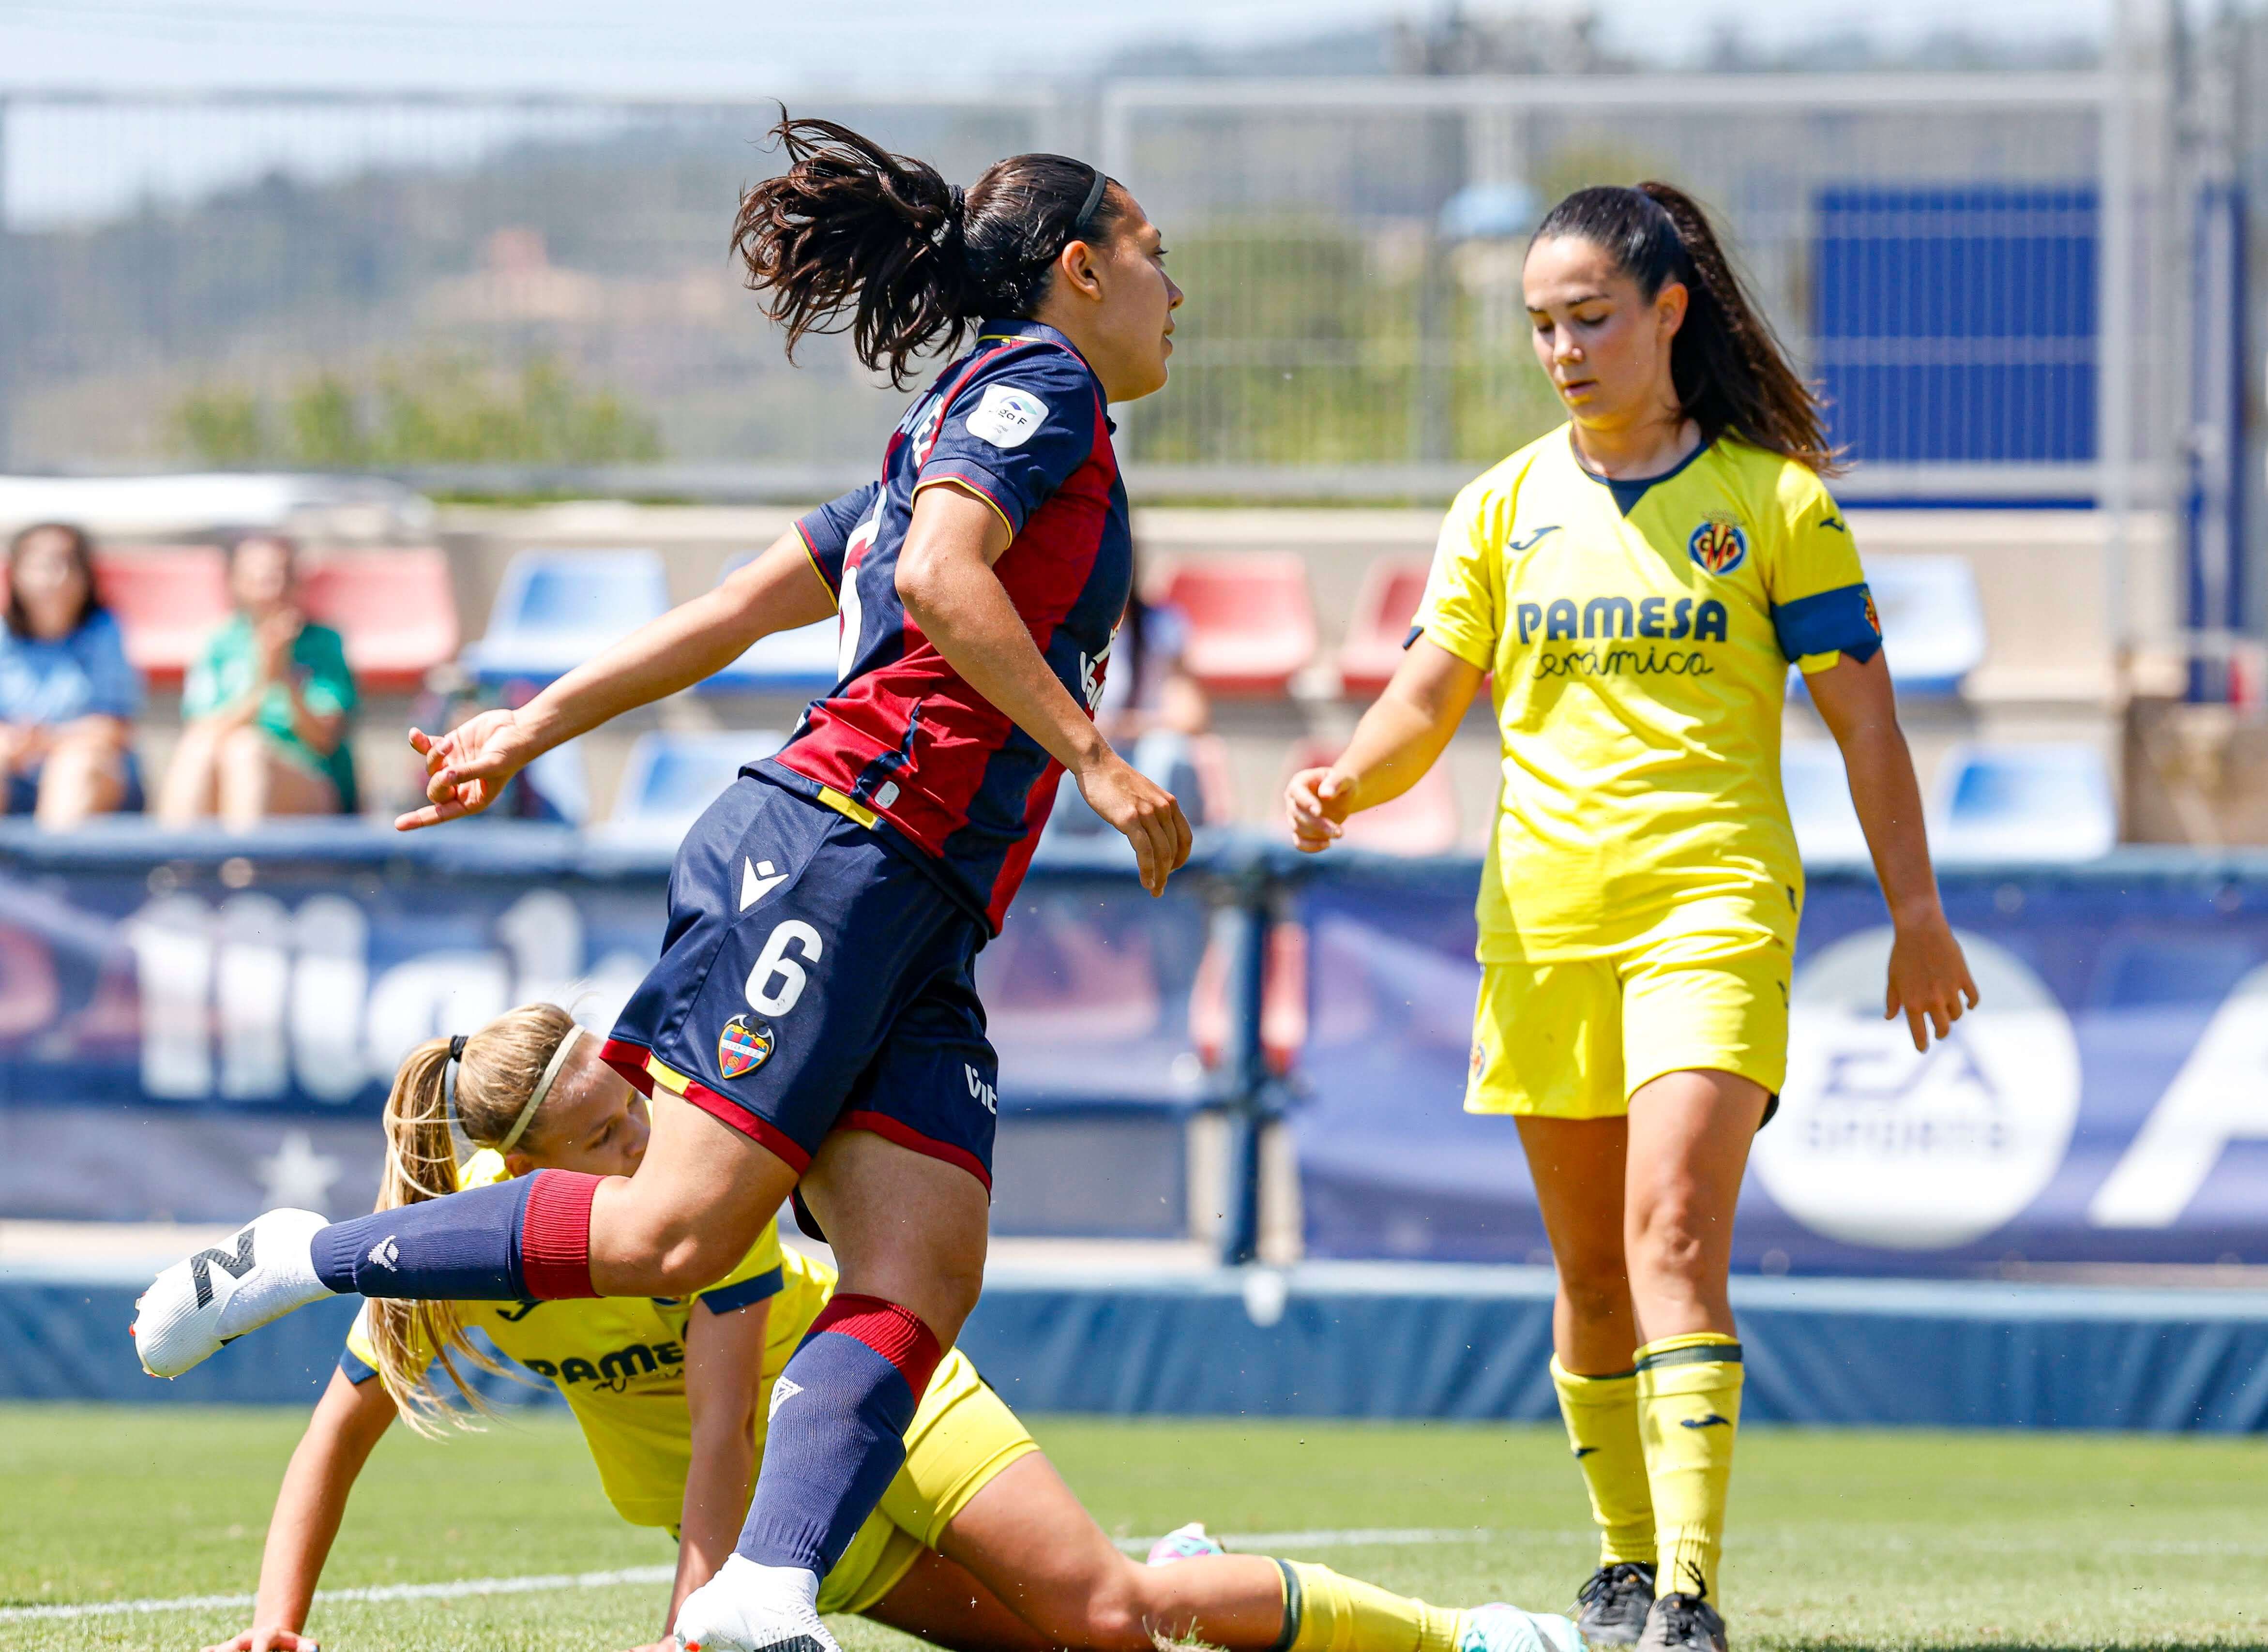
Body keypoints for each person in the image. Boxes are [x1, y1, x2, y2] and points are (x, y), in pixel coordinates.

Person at [136, 115, 1193, 1652]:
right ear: (1083, 269)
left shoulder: (949, 425)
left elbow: (727, 609)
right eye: (1156, 252)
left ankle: (761, 1592)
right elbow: (935, 581)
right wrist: (1093, 757)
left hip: (910, 898)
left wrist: (529, 724)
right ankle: (304, 1252)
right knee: (669, 1238)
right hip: (843, 849)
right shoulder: (1037, 392)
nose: (1177, 286)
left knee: (917, 1271)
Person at [1284, 183, 1979, 1652]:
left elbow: (1866, 728)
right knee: (1589, 1267)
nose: (1561, 348)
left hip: (1710, 908)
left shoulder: (1773, 503)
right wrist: (1346, 778)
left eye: (1588, 317)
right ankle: (1614, 1562)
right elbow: (1424, 699)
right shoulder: (1499, 506)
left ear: (1669, 310)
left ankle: (1686, 1590)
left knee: (1669, 1230)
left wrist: (1914, 912)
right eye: (1540, 323)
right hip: (1542, 926)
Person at [200, 1004, 1576, 1652]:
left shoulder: (706, 1187)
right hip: (801, 1530)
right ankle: (1175, 1563)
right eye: (604, 1134)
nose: (646, 1136)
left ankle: (1470, 1635)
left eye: (631, 1104)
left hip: (871, 1411)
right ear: (518, 1163)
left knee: (1113, 1617)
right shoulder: (476, 1250)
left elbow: (729, 1425)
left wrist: (695, 1624)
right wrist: (278, 1625)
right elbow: (339, 1427)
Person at [159, 531, 358, 828]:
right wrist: (264, 682)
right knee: (203, 749)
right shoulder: (220, 643)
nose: (270, 588)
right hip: (225, 768)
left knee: (246, 752)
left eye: (278, 575)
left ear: (296, 582)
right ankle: (176, 864)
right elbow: (204, 731)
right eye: (257, 576)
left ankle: (242, 869)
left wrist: (286, 679)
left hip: (312, 783)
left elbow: (323, 741)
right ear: (235, 582)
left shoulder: (324, 643)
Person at [1049, 542, 1211, 835]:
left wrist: (1127, 727)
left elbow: (1191, 716)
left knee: (1168, 756)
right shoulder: (1064, 627)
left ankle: (1147, 867)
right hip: (1085, 753)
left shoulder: (1163, 625)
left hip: (1140, 749)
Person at [0, 522, 143, 826]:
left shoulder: (104, 631)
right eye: (44, 565)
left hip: (94, 778)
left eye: (70, 564)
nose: (58, 578)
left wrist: (45, 742)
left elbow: (115, 729)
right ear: (17, 574)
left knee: (74, 766)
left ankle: (53, 870)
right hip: (16, 778)